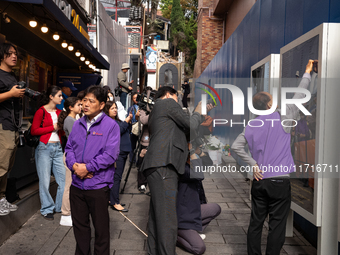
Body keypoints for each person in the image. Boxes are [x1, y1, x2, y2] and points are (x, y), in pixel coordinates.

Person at [231, 60, 314, 255]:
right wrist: (307, 72)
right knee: (277, 225)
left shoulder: (251, 125)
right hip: (279, 182)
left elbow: (236, 146)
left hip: (259, 182)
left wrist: (253, 164)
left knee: (256, 222)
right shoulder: (283, 118)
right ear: (269, 104)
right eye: (272, 99)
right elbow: (300, 96)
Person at [140, 86, 211, 255]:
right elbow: (189, 123)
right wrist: (198, 112)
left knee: (158, 218)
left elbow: (189, 130)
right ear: (168, 95)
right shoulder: (167, 103)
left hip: (159, 164)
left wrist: (199, 114)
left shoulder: (161, 112)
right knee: (167, 220)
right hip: (164, 164)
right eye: (177, 97)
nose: (178, 101)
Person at [65, 85, 120, 255]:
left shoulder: (111, 125)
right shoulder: (78, 124)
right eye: (84, 100)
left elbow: (110, 155)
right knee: (80, 229)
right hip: (77, 185)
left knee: (101, 231)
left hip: (98, 186)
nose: (86, 104)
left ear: (102, 104)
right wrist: (75, 167)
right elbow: (69, 149)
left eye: (91, 101)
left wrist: (88, 168)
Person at [176, 144, 221, 255]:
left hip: (192, 209)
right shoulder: (181, 168)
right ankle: (175, 236)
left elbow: (208, 163)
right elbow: (199, 174)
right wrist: (192, 153)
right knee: (199, 248)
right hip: (182, 216)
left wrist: (199, 152)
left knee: (215, 208)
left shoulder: (190, 164)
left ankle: (193, 231)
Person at [31, 85, 65, 221]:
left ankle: (59, 207)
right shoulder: (41, 111)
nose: (61, 98)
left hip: (58, 148)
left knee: (63, 180)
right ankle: (46, 209)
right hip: (44, 148)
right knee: (44, 181)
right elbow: (34, 131)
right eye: (59, 96)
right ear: (51, 97)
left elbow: (61, 131)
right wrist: (53, 127)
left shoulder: (60, 112)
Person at [0, 43, 25, 216]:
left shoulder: (12, 76)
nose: (14, 56)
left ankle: (1, 198)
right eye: (10, 54)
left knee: (7, 165)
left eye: (16, 53)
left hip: (14, 125)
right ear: (2, 55)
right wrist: (10, 94)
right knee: (1, 165)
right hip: (2, 125)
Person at [57, 97, 82, 226]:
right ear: (71, 107)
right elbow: (76, 140)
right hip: (71, 155)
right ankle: (65, 214)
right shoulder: (70, 120)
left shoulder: (72, 119)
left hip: (72, 154)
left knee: (71, 184)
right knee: (69, 185)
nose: (81, 106)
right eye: (78, 105)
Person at [104, 101, 132, 212]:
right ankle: (115, 202)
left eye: (115, 108)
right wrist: (126, 121)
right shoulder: (108, 122)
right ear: (106, 110)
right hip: (118, 152)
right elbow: (119, 131)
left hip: (124, 151)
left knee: (116, 176)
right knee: (116, 177)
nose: (115, 110)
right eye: (112, 108)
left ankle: (112, 199)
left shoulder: (116, 120)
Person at [127, 92, 140, 165]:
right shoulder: (131, 108)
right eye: (134, 98)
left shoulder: (142, 107)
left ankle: (139, 161)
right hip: (133, 129)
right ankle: (132, 161)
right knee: (132, 146)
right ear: (132, 99)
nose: (136, 99)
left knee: (140, 146)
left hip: (140, 129)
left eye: (137, 98)